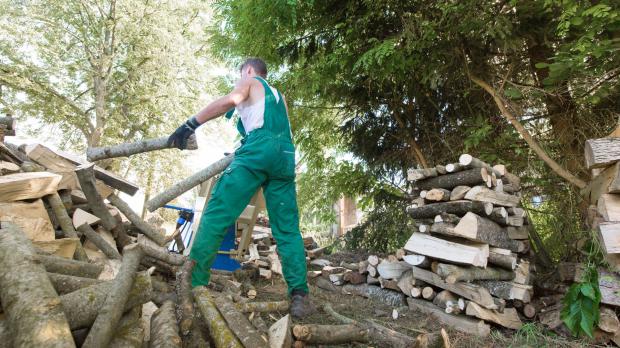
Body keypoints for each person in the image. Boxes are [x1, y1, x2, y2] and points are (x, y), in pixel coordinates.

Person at [168, 58, 314, 318]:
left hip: (259, 150)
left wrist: (191, 124)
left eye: (239, 75)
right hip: (285, 157)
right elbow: (275, 131)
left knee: (217, 212)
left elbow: (229, 101)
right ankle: (299, 294)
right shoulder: (279, 97)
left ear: (248, 70)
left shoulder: (251, 81)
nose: (239, 81)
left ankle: (194, 283)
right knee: (287, 229)